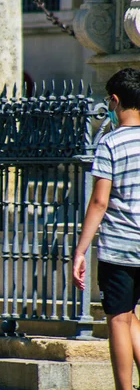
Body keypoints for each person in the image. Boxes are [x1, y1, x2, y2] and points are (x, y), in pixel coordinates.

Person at [73, 68, 140, 390]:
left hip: (120, 246)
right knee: (132, 316)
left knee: (117, 317)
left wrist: (81, 250)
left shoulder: (110, 142)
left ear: (115, 101)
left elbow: (99, 201)